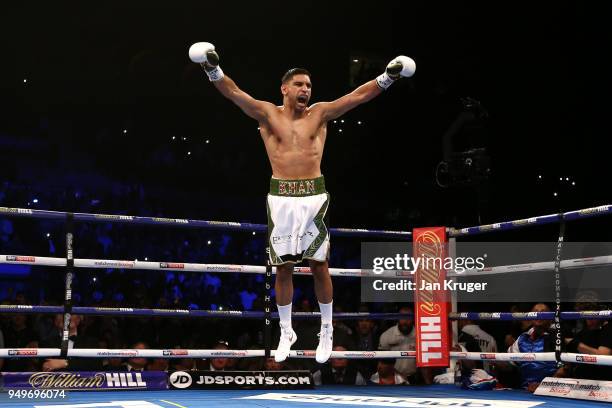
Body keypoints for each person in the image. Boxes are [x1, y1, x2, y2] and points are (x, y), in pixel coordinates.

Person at [189, 42, 415, 364]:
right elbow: (234, 93)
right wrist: (211, 68)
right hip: (281, 197)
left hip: (313, 196)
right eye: (299, 84)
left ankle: (327, 328)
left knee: (319, 265)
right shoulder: (267, 113)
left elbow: (356, 98)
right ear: (284, 88)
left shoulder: (319, 113)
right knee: (283, 268)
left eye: (309, 85)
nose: (305, 89)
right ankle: (286, 330)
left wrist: (388, 77)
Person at [507, 303, 557, 392]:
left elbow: (565, 369)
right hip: (524, 392)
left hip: (552, 391)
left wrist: (543, 386)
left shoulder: (556, 336)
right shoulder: (523, 338)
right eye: (535, 312)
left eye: (543, 312)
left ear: (550, 317)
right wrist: (492, 358)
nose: (538, 315)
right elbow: (510, 363)